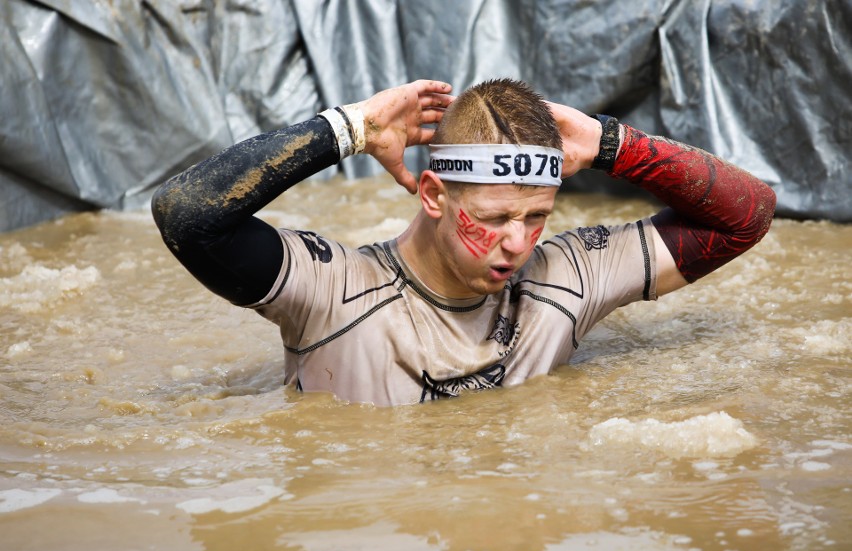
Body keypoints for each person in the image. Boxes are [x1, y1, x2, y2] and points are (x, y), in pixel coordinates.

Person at [151, 78, 776, 406]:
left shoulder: (568, 280)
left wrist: (616, 145)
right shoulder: (332, 292)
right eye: (495, 217)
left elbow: (746, 217)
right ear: (432, 195)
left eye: (536, 217)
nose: (518, 244)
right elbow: (187, 215)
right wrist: (351, 129)